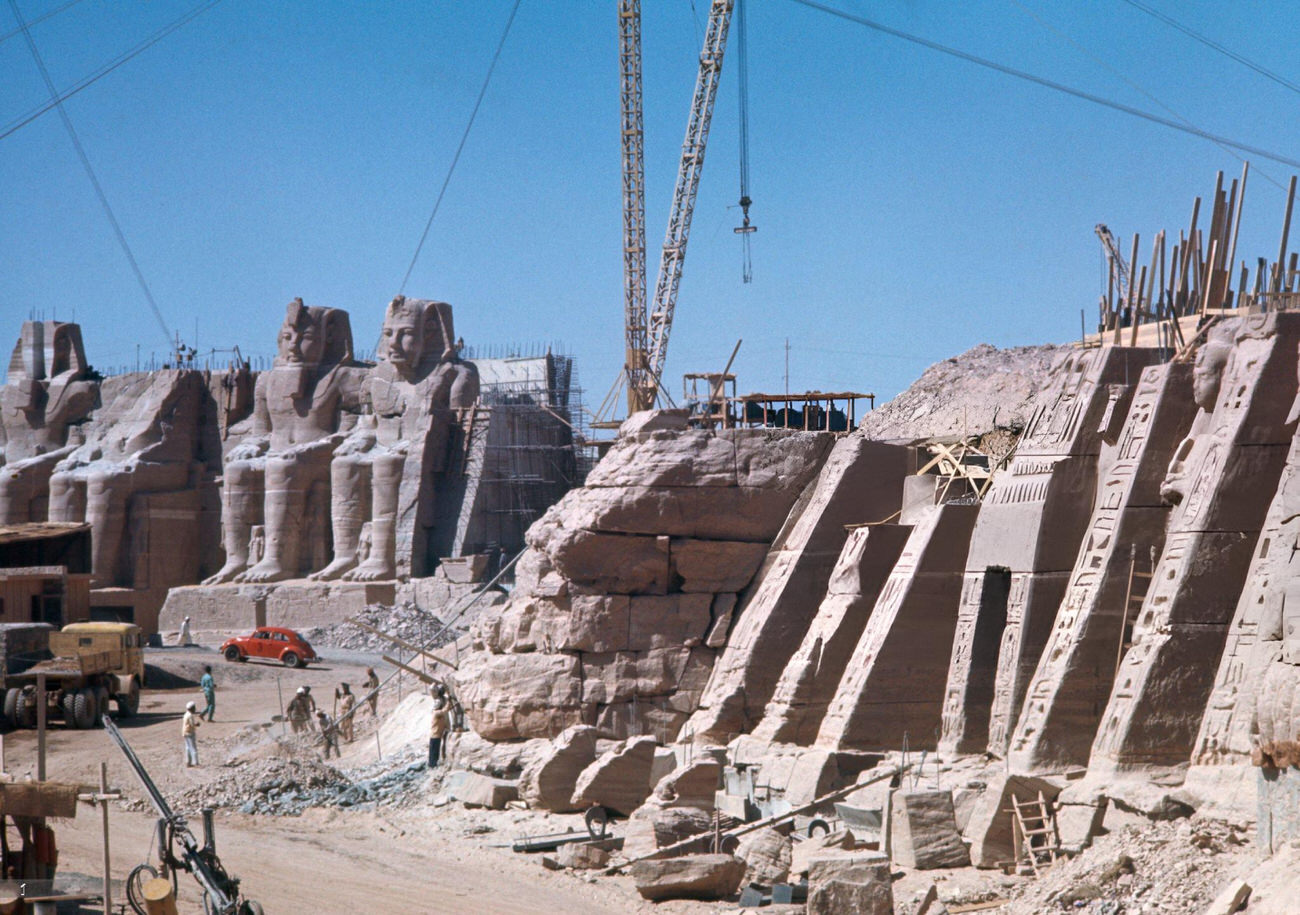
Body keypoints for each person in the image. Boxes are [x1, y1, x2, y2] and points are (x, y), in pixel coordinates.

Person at [428, 694, 449, 769]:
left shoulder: (436, 712)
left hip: (436, 734)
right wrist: (448, 702)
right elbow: (445, 710)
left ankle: (432, 764)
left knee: (434, 750)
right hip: (435, 735)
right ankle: (432, 764)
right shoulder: (437, 713)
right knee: (434, 751)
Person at [182, 701, 201, 767]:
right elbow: (192, 724)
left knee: (188, 747)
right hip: (190, 732)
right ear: (192, 708)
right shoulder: (190, 715)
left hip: (185, 732)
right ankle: (196, 763)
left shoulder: (185, 714)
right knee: (193, 748)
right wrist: (197, 724)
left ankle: (188, 762)